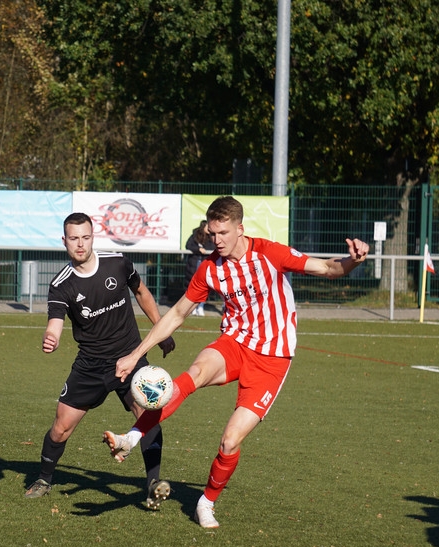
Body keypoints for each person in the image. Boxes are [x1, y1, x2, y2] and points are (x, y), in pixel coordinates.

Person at [102, 196, 369, 528]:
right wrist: (135, 354)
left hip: (272, 357)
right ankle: (131, 438)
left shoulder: (271, 253)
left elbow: (329, 268)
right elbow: (178, 313)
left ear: (240, 229)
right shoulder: (210, 268)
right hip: (234, 343)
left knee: (230, 441)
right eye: (212, 234)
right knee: (196, 372)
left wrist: (353, 260)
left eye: (223, 233)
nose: (217, 241)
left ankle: (206, 503)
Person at [24, 212, 177, 509]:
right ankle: (43, 479)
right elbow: (55, 323)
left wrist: (161, 330)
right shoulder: (61, 284)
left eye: (85, 237)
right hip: (91, 365)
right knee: (61, 427)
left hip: (130, 358)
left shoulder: (117, 263)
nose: (80, 244)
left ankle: (153, 484)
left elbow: (141, 292)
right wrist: (51, 337)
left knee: (148, 414)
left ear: (93, 237)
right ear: (64, 241)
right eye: (74, 238)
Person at [185, 220, 214, 316]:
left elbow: (213, 248)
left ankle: (200, 306)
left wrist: (206, 249)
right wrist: (198, 249)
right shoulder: (194, 236)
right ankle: (192, 308)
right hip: (194, 264)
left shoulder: (211, 237)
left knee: (204, 287)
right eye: (207, 227)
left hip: (206, 264)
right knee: (192, 286)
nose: (209, 229)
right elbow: (188, 245)